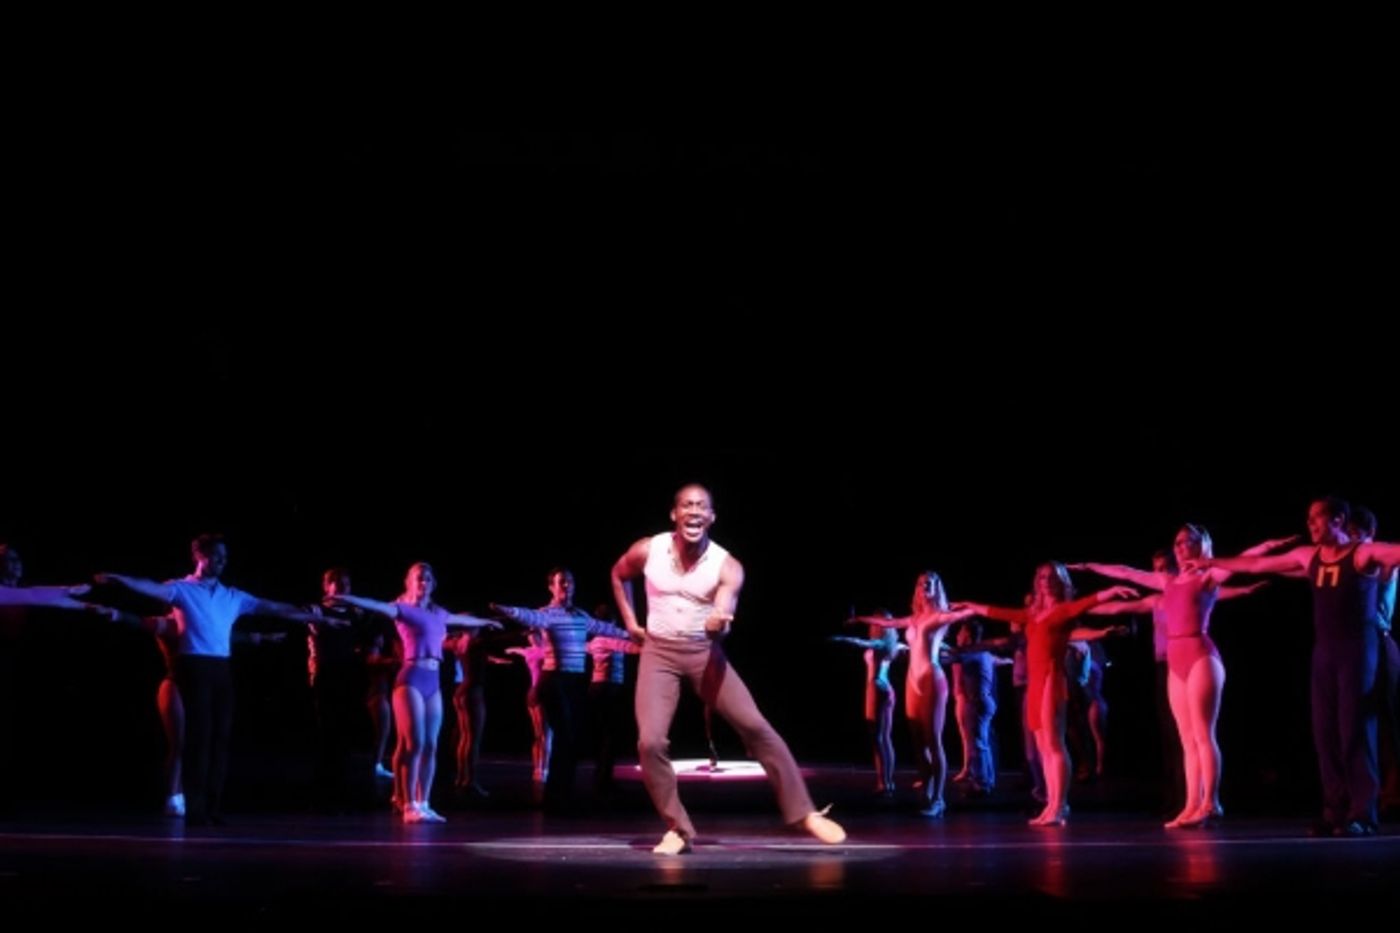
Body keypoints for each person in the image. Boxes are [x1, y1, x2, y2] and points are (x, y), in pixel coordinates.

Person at [611, 483, 847, 853]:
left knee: (755, 726)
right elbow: (618, 573)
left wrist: (718, 625)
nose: (694, 512)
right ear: (674, 514)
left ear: (711, 517)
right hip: (658, 653)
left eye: (701, 507)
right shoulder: (648, 549)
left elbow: (724, 613)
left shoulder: (727, 566)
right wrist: (630, 621)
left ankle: (805, 813)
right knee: (650, 741)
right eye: (687, 505)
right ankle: (678, 829)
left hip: (704, 653)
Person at [1192, 498, 1400, 835]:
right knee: (1325, 733)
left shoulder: (1363, 554)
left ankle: (1362, 814)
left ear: (1338, 520)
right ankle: (1334, 812)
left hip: (1359, 652)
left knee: (1355, 730)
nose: (1311, 525)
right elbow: (1259, 565)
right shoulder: (1308, 556)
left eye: (1317, 518)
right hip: (1325, 654)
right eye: (1309, 518)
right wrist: (1212, 561)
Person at [96, 533, 330, 825]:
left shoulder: (232, 596)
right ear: (199, 556)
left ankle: (213, 807)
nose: (222, 561)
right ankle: (195, 809)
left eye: (225, 557)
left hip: (221, 667)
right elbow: (150, 588)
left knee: (220, 738)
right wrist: (119, 579)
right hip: (193, 664)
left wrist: (310, 615)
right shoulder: (181, 589)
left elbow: (270, 606)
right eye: (216, 555)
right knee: (199, 737)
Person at [1072, 530, 1284, 827]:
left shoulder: (1208, 575)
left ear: (1201, 544)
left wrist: (1267, 545)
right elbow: (1126, 572)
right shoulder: (1166, 582)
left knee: (1203, 734)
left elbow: (1243, 561)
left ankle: (1211, 802)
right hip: (1175, 661)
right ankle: (1191, 805)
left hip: (1201, 656)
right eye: (1178, 542)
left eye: (1188, 541)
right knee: (1187, 740)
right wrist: (1089, 566)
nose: (1182, 546)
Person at [959, 564, 1138, 826]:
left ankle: (1059, 805)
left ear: (1060, 581)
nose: (1045, 581)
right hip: (1034, 682)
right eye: (1041, 576)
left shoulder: (1064, 610)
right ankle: (1052, 804)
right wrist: (970, 605)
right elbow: (999, 612)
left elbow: (1088, 602)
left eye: (1051, 576)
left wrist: (1111, 591)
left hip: (1052, 678)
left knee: (1054, 744)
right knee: (1043, 747)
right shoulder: (1033, 614)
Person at [329, 562, 500, 824]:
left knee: (431, 745)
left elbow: (460, 619)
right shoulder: (403, 609)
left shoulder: (438, 613)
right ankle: (408, 803)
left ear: (433, 584)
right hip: (410, 679)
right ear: (408, 582)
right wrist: (346, 597)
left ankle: (423, 803)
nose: (424, 582)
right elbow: (375, 605)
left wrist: (485, 621)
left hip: (433, 680)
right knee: (415, 743)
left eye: (428, 579)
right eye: (419, 578)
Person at [491, 568, 631, 810]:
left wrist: (636, 635)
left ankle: (563, 793)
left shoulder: (580, 615)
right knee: (564, 735)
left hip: (576, 682)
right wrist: (505, 609)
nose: (567, 586)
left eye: (570, 582)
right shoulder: (548, 614)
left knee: (574, 738)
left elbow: (605, 629)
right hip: (554, 680)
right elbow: (528, 616)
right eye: (562, 582)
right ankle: (555, 796)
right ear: (551, 587)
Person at [852, 573, 978, 817]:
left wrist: (969, 605)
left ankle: (939, 799)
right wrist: (859, 618)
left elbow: (966, 613)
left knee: (933, 739)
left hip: (932, 677)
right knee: (918, 741)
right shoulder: (913, 619)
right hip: (912, 680)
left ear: (937, 588)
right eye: (921, 583)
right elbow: (888, 623)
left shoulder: (940, 616)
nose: (924, 586)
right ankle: (928, 792)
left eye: (929, 582)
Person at [829, 620, 907, 795]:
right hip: (885, 688)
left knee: (878, 738)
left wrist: (840, 639)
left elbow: (858, 642)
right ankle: (887, 781)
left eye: (875, 623)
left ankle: (884, 782)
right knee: (884, 738)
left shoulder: (880, 644)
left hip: (877, 688)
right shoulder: (893, 645)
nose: (872, 626)